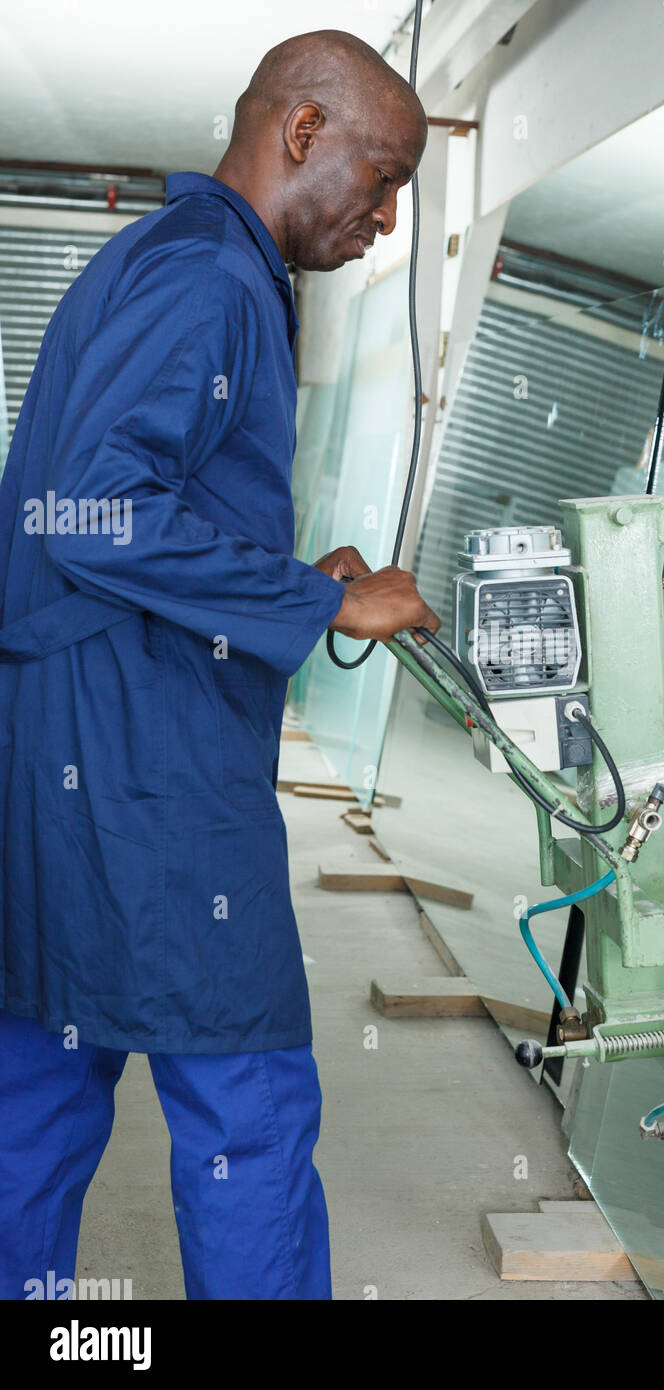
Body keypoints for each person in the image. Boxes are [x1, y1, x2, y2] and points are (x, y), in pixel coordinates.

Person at [0, 29, 439, 1300]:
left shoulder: (174, 262)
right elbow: (92, 506)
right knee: (243, 1094)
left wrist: (309, 572)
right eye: (385, 173)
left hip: (63, 739)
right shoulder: (209, 278)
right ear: (302, 133)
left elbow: (142, 499)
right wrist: (315, 602)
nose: (387, 215)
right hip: (144, 756)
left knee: (39, 1078)